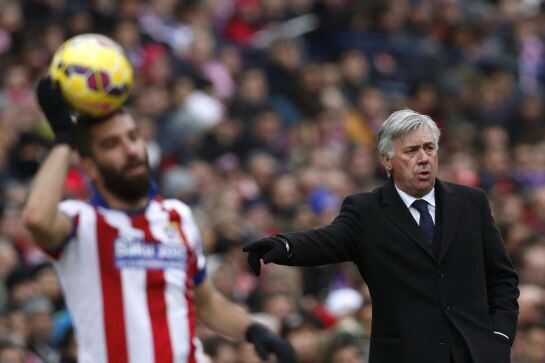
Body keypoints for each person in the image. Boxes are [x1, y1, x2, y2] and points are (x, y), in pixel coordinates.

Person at [23, 78, 297, 363]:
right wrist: (64, 141)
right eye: (111, 144)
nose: (130, 149)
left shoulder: (177, 216)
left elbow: (206, 302)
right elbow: (36, 218)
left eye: (133, 136)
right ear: (90, 167)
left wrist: (253, 330)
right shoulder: (82, 221)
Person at [243, 109, 520, 363]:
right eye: (411, 151)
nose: (423, 158)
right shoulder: (366, 211)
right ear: (387, 160)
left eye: (429, 148)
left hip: (475, 355)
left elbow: (502, 277)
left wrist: (500, 337)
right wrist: (283, 244)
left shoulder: (472, 202)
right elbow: (325, 241)